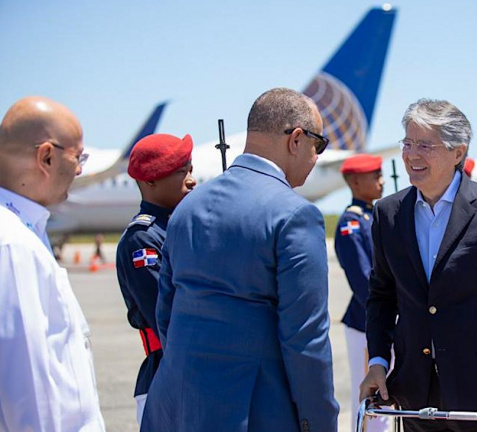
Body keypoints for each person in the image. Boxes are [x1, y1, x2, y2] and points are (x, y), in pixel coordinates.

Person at [141, 88, 339, 432]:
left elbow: (166, 312)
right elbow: (306, 341)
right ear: (295, 139)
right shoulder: (294, 215)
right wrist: (319, 423)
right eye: (317, 145)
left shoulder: (188, 206)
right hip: (253, 412)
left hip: (174, 407)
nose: (317, 156)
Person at [361, 98, 477, 432]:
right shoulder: (388, 214)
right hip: (415, 394)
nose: (411, 155)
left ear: (458, 152)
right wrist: (378, 361)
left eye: (424, 145)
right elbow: (381, 296)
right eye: (407, 143)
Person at [0, 96, 105, 431]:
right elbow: (30, 397)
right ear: (46, 156)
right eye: (79, 157)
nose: (80, 169)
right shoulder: (14, 246)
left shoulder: (26, 230)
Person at [115, 133, 196, 426]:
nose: (191, 179)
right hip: (167, 376)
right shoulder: (143, 240)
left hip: (199, 371)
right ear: (150, 181)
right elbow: (167, 316)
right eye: (180, 172)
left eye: (190, 169)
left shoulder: (181, 227)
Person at [334, 154, 390, 432]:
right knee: (372, 400)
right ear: (356, 181)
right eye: (375, 176)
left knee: (388, 399)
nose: (381, 182)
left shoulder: (373, 216)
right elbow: (362, 282)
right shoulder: (351, 223)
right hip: (366, 322)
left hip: (387, 320)